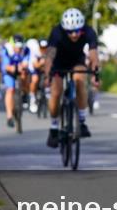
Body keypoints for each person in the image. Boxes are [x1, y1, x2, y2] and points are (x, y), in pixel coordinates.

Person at [41, 8, 100, 148]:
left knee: (80, 81)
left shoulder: (89, 31)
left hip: (77, 61)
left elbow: (93, 55)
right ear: (64, 29)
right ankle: (54, 127)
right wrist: (47, 75)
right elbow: (49, 56)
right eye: (70, 32)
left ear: (82, 28)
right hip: (58, 63)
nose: (74, 35)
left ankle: (81, 121)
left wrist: (95, 74)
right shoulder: (57, 32)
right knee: (56, 92)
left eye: (77, 31)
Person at [0, 34, 29, 128]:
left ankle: (24, 94)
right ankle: (9, 116)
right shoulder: (6, 50)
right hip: (9, 71)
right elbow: (6, 66)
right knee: (10, 90)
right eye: (17, 47)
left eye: (20, 47)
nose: (19, 49)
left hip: (20, 69)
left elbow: (26, 63)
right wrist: (14, 68)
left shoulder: (26, 50)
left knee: (25, 75)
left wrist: (23, 67)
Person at [25, 36, 44, 114]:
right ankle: (32, 98)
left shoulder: (48, 51)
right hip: (34, 68)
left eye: (45, 47)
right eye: (42, 47)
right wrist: (41, 63)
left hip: (43, 68)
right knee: (35, 79)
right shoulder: (35, 51)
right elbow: (35, 65)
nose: (43, 49)